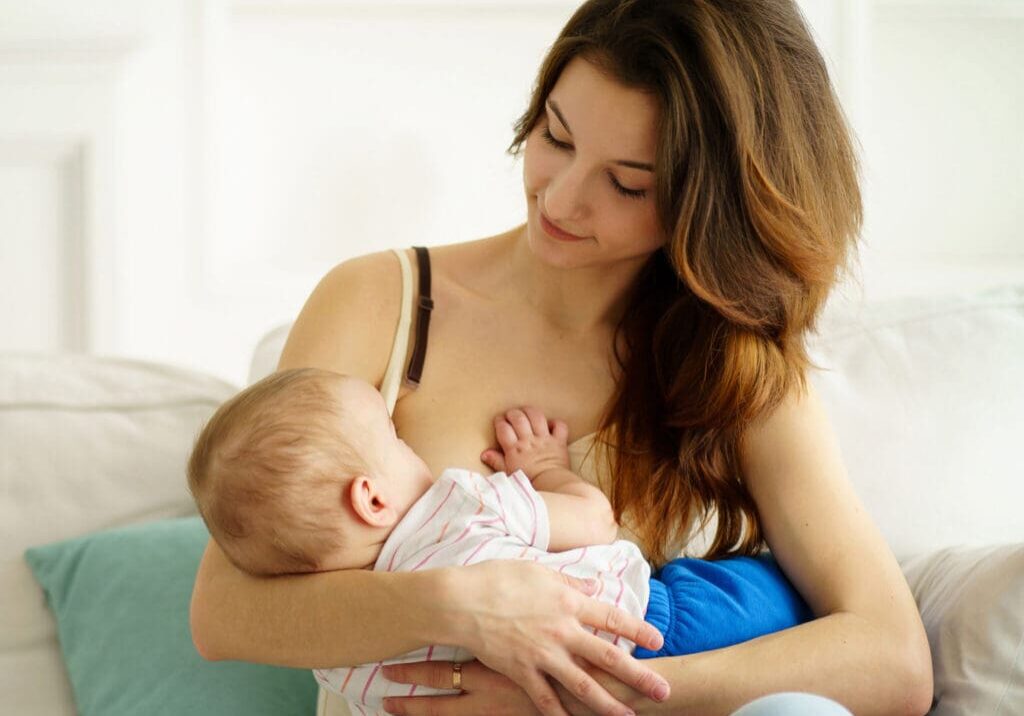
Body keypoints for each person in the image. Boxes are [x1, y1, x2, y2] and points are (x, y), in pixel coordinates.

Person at [190, 1, 934, 714]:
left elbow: (892, 658)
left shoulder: (733, 363)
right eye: (557, 136)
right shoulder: (380, 300)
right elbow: (223, 612)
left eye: (626, 183)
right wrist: (468, 605)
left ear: (712, 204)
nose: (561, 200)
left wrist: (596, 692)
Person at [187, 367, 814, 715]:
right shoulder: (459, 506)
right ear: (372, 498)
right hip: (648, 627)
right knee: (781, 592)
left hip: (538, 703)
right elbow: (594, 520)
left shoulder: (341, 659)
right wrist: (544, 468)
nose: (411, 445)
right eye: (395, 437)